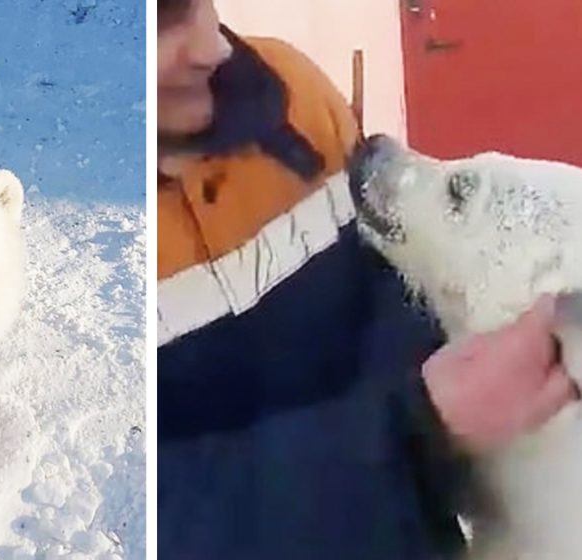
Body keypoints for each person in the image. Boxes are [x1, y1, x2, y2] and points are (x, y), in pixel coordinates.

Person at [156, 0, 579, 558]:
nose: (213, 45)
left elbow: (389, 317)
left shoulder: (293, 99)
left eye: (200, 3)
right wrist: (415, 429)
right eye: (163, 19)